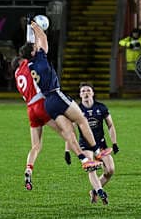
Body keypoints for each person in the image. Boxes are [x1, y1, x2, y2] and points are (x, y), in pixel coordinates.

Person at [18, 21, 112, 168]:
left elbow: (34, 46)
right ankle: (97, 151)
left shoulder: (29, 66)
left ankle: (84, 160)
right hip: (56, 95)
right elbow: (43, 37)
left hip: (47, 104)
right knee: (82, 120)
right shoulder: (40, 58)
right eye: (34, 47)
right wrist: (35, 25)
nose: (37, 46)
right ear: (32, 53)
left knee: (67, 130)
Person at [12, 56, 102, 192]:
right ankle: (84, 159)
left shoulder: (17, 74)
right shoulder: (26, 65)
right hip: (41, 104)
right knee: (68, 131)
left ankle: (29, 169)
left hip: (30, 109)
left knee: (36, 146)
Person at [67, 82, 119, 205]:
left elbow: (110, 125)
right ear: (80, 95)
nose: (86, 93)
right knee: (91, 168)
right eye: (83, 91)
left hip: (101, 144)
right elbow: (70, 131)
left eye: (88, 90)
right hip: (85, 145)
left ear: (93, 93)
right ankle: (100, 191)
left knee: (110, 170)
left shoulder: (101, 107)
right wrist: (67, 150)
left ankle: (94, 191)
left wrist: (114, 143)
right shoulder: (77, 110)